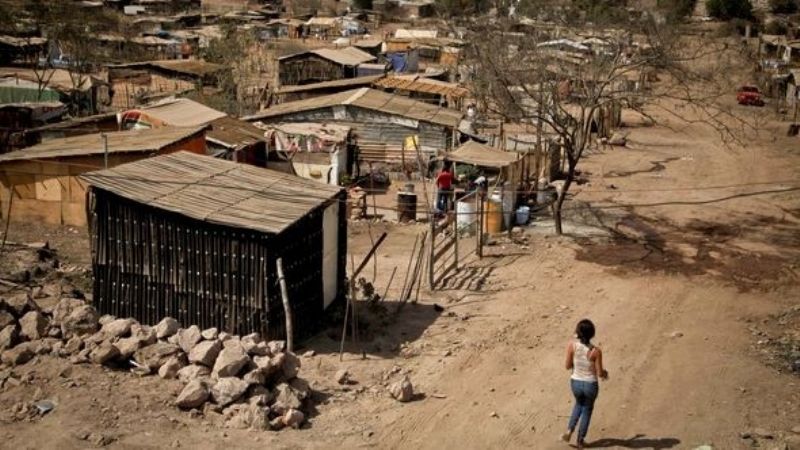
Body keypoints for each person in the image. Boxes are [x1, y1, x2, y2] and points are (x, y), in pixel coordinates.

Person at [562, 319, 608, 449]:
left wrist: (576, 363)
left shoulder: (572, 346)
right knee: (587, 410)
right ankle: (580, 440)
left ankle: (569, 430)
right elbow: (599, 373)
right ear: (592, 334)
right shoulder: (596, 351)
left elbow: (567, 366)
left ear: (578, 333)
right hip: (590, 385)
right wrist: (605, 373)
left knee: (578, 404)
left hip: (575, 382)